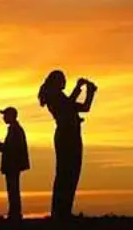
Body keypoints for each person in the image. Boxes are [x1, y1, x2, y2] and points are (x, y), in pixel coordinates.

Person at [38, 70, 97, 220]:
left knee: (70, 174)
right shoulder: (54, 97)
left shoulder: (59, 97)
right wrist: (79, 89)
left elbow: (84, 108)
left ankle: (63, 211)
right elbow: (68, 106)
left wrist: (90, 92)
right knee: (66, 174)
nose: (64, 82)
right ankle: (60, 212)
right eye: (63, 80)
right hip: (67, 136)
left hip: (70, 135)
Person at [0, 107, 31, 220]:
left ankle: (14, 214)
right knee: (13, 189)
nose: (3, 118)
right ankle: (14, 213)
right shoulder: (15, 129)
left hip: (13, 165)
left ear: (11, 116)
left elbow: (10, 148)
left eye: (5, 115)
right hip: (13, 164)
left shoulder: (15, 129)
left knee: (13, 189)